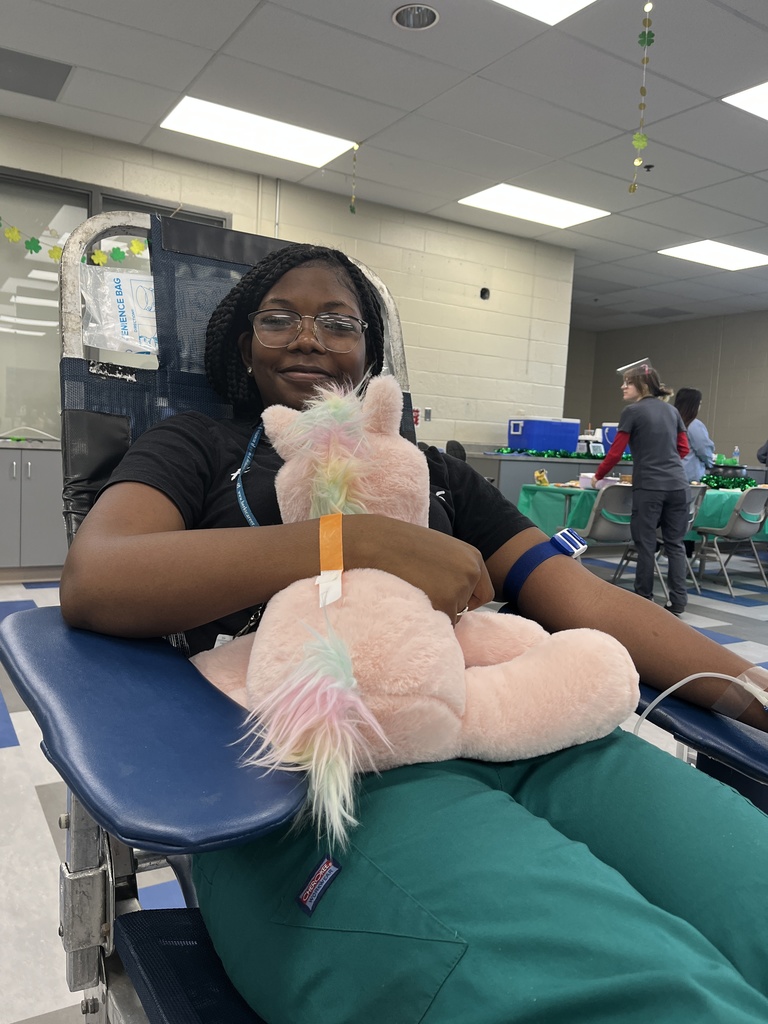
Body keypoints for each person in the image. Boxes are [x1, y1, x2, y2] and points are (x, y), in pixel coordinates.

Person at [60, 244, 768, 1024]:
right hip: (329, 774)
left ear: (370, 352)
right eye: (279, 319)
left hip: (526, 727)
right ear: (243, 346)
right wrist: (350, 540)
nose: (308, 337)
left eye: (338, 321)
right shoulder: (197, 446)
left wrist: (754, 693)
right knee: (637, 995)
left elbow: (591, 606)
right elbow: (99, 578)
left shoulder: (434, 472)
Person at [593, 363, 691, 616]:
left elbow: (615, 452)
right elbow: (683, 449)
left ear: (643, 385)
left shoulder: (632, 412)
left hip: (650, 486)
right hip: (678, 485)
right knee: (675, 544)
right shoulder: (672, 411)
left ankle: (644, 599)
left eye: (627, 382)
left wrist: (598, 476)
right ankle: (678, 601)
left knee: (646, 544)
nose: (622, 387)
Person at [674, 387, 715, 482]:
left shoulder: (669, 422)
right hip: (689, 477)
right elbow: (704, 449)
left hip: (670, 474)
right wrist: (711, 464)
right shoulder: (694, 425)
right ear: (693, 405)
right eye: (699, 404)